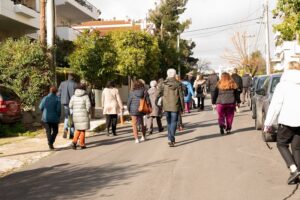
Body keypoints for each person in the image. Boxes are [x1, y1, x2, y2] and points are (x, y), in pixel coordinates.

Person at [264, 61, 300, 185]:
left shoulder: (282, 85)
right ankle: (296, 173)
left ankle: (294, 169)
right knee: (297, 147)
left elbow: (275, 106)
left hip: (287, 120)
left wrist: (268, 124)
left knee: (281, 144)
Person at [159, 69, 184, 147]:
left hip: (166, 105)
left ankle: (170, 138)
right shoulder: (179, 84)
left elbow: (159, 93)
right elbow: (181, 96)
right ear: (175, 74)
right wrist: (182, 107)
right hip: (175, 105)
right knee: (174, 122)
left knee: (169, 122)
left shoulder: (163, 84)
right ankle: (171, 138)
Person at [69, 84, 91, 150]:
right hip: (83, 115)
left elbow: (70, 106)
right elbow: (88, 106)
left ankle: (77, 143)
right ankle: (78, 143)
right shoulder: (86, 96)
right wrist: (87, 111)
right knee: (82, 129)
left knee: (79, 129)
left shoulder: (73, 96)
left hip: (75, 115)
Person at [58, 74, 77, 139]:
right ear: (73, 78)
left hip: (64, 102)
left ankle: (65, 129)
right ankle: (71, 133)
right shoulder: (75, 84)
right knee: (71, 117)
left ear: (68, 78)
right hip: (72, 103)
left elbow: (59, 93)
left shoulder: (62, 83)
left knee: (67, 117)